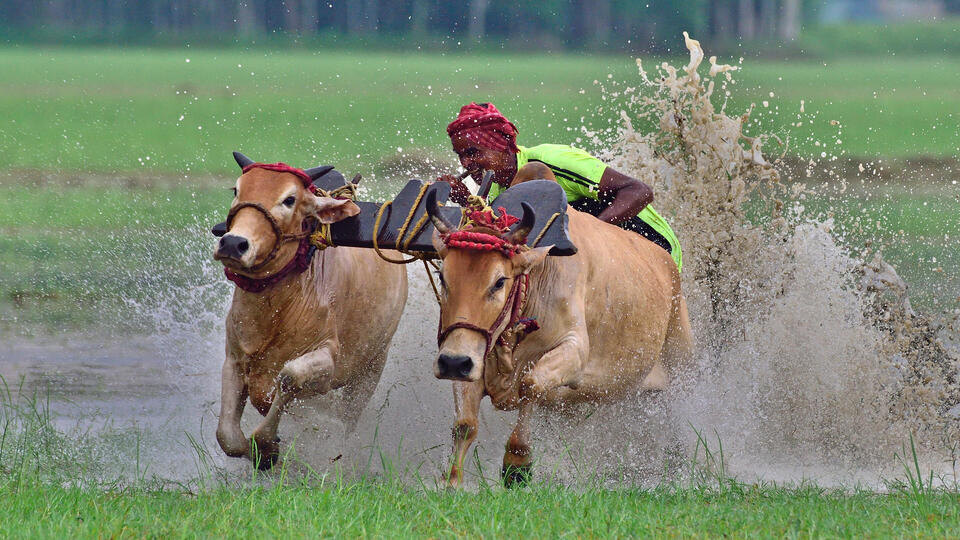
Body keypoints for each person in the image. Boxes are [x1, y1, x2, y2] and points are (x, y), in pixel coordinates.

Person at [437, 102, 682, 271]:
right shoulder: (494, 189)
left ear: (502, 145)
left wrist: (591, 236)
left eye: (473, 152)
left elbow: (639, 191)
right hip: (593, 264)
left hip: (652, 252)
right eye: (460, 156)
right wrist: (467, 201)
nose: (465, 163)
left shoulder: (552, 161)